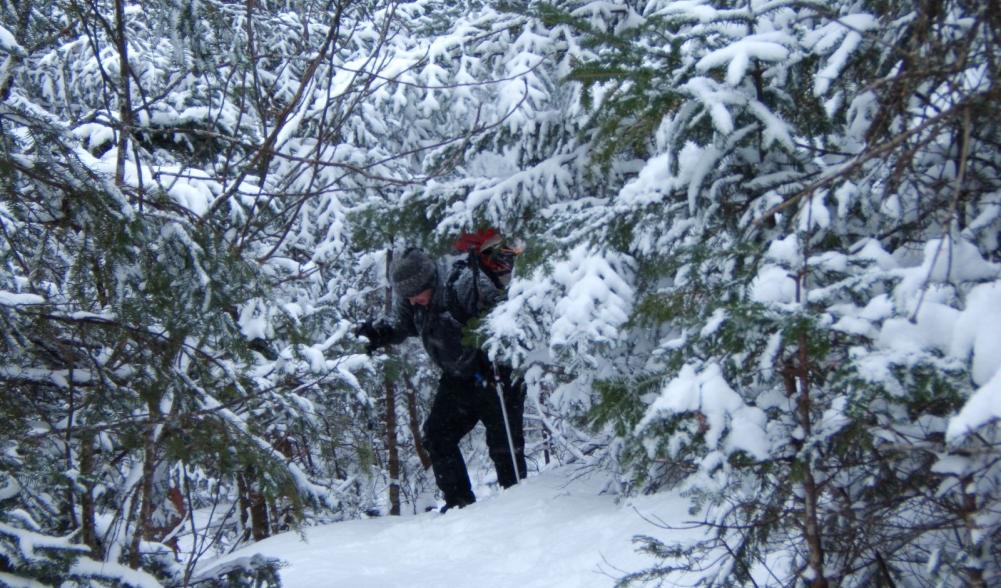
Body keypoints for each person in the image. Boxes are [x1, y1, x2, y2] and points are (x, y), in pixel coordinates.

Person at [355, 247, 527, 512]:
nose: (412, 301)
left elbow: (504, 318)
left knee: (504, 448)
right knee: (437, 435)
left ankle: (518, 507)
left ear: (430, 282)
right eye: (408, 297)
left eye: (416, 295)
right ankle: (460, 506)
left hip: (495, 374)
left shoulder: (465, 284)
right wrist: (377, 334)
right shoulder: (412, 295)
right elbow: (402, 324)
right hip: (459, 376)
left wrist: (497, 361)